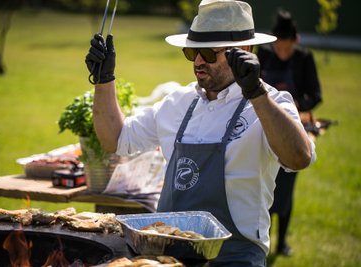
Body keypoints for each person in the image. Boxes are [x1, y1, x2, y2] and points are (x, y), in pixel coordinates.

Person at [85, 1, 316, 266]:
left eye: (207, 53)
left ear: (243, 51)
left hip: (235, 257)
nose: (197, 61)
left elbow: (300, 158)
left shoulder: (273, 103)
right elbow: (114, 139)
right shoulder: (177, 103)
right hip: (165, 254)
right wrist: (104, 80)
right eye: (192, 51)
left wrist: (256, 93)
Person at [257, 10, 322, 257]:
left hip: (294, 128)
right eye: (279, 49)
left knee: (285, 189)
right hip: (264, 128)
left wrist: (296, 106)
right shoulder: (263, 55)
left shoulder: (305, 59)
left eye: (287, 48)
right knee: (266, 187)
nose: (282, 53)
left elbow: (316, 95)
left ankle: (281, 241)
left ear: (296, 41)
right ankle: (263, 237)